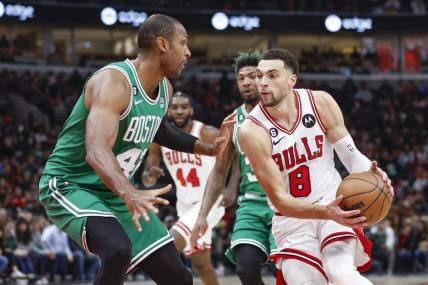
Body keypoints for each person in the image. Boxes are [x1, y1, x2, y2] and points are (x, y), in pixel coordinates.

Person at [38, 14, 230, 285]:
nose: (188, 52)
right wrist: (130, 192)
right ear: (162, 44)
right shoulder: (114, 82)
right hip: (72, 184)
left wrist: (204, 147)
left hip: (115, 192)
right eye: (183, 43)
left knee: (179, 277)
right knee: (118, 249)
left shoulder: (164, 89)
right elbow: (95, 150)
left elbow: (159, 129)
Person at [237, 48, 394, 285]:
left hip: (333, 202)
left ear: (292, 80)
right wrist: (324, 211)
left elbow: (351, 156)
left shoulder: (319, 102)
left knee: (340, 272)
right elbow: (279, 199)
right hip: (292, 219)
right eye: (259, 76)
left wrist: (373, 175)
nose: (262, 83)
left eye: (272, 75)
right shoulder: (251, 131)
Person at [191, 51, 277, 285]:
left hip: (284, 202)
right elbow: (219, 172)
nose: (247, 82)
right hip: (251, 202)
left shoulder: (282, 114)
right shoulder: (230, 122)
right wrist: (202, 216)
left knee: (288, 271)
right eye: (241, 78)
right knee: (245, 268)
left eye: (253, 76)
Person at [142, 91, 224, 285]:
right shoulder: (159, 138)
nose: (179, 111)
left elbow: (231, 158)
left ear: (191, 110)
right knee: (201, 262)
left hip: (210, 202)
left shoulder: (207, 132)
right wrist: (151, 175)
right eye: (174, 107)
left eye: (183, 107)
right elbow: (147, 181)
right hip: (184, 204)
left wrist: (229, 188)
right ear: (168, 110)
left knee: (167, 246)